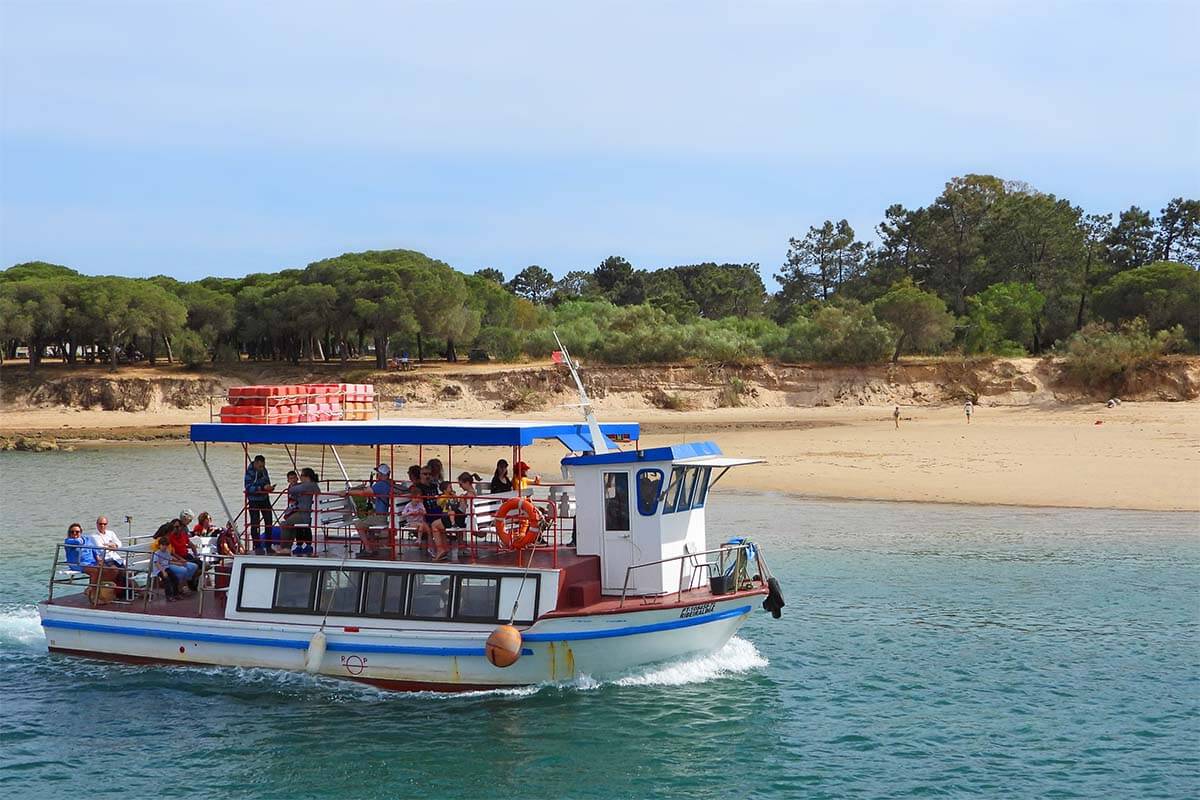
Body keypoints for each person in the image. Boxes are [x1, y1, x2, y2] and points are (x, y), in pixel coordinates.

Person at [354, 464, 397, 556]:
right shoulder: (391, 483)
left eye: (378, 473)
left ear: (381, 474)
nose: (377, 475)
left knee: (358, 524)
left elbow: (364, 492)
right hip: (386, 516)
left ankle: (368, 549)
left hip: (380, 517)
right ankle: (372, 546)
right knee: (368, 519)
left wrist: (348, 492)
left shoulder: (381, 485)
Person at [282, 467, 319, 556]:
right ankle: (288, 546)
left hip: (304, 514)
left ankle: (285, 547)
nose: (300, 477)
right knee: (291, 523)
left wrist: (293, 484)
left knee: (286, 524)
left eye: (301, 475)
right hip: (310, 513)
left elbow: (292, 490)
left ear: (307, 477)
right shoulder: (313, 485)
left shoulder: (307, 485)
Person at [244, 455, 275, 555]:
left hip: (264, 499)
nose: (262, 468)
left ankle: (269, 546)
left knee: (269, 521)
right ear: (256, 463)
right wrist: (261, 488)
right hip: (254, 500)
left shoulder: (264, 471)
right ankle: (257, 546)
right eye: (260, 466)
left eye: (263, 466)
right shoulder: (249, 472)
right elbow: (248, 487)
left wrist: (269, 487)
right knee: (255, 523)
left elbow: (267, 481)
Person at [170, 513, 203, 590]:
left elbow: (192, 545)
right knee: (194, 566)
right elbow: (171, 552)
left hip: (187, 555)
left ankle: (190, 579)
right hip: (178, 557)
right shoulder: (170, 537)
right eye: (175, 527)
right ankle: (188, 583)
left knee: (205, 566)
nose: (177, 529)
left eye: (178, 527)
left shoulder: (183, 535)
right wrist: (180, 559)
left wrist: (196, 555)